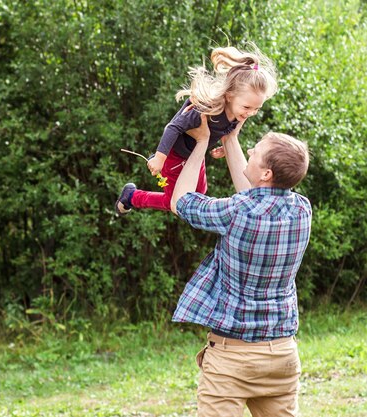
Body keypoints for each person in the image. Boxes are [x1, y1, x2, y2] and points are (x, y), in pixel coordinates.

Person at [169, 114, 312, 417]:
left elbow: (180, 201)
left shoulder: (237, 211)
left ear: (267, 173)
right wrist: (229, 138)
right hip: (282, 356)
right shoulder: (301, 209)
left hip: (232, 360)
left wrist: (201, 143)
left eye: (256, 152)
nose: (250, 152)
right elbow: (254, 196)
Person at [115, 44, 277, 215]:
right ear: (229, 95)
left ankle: (154, 175)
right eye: (247, 107)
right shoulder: (206, 111)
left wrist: (224, 148)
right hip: (175, 154)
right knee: (176, 204)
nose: (250, 113)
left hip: (193, 154)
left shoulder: (238, 114)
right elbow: (172, 127)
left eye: (256, 109)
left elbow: (228, 132)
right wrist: (161, 158)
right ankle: (132, 196)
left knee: (199, 194)